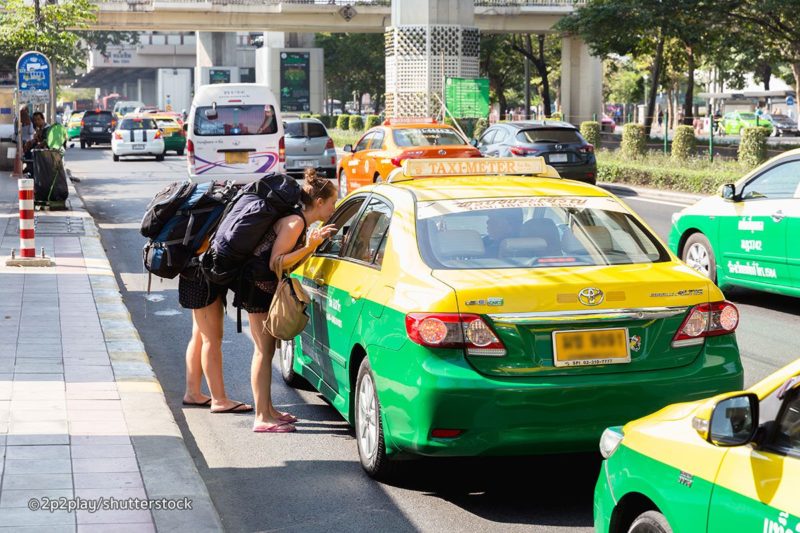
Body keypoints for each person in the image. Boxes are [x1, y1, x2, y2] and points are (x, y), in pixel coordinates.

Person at [244, 170, 337, 433]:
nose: (334, 208)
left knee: (268, 350)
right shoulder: (295, 223)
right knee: (263, 351)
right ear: (319, 203)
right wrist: (309, 246)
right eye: (332, 203)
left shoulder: (300, 223)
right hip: (258, 287)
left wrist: (313, 243)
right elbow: (277, 261)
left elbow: (288, 260)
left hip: (262, 285)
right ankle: (261, 417)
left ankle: (268, 409)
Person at [178, 264, 253, 414]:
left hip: (192, 271)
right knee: (211, 339)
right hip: (204, 276)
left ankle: (193, 393)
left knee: (199, 335)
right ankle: (219, 400)